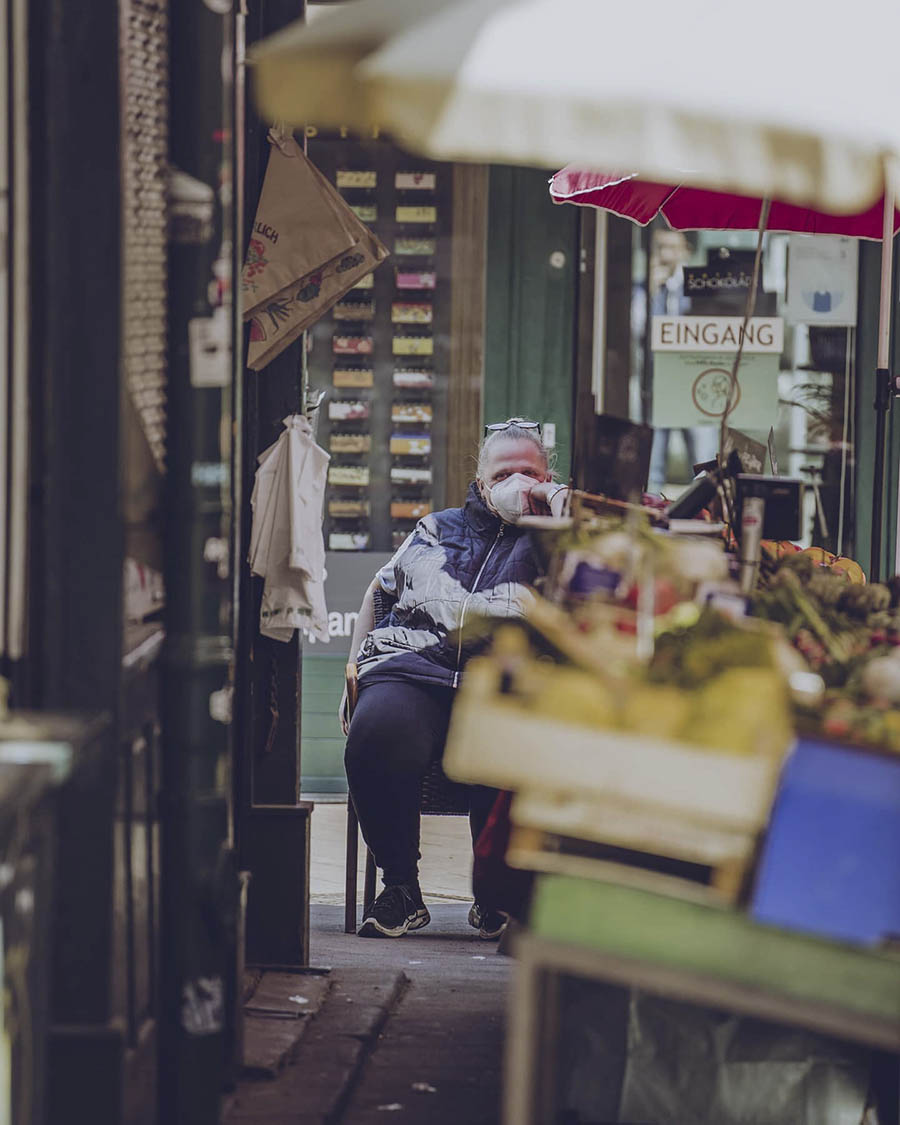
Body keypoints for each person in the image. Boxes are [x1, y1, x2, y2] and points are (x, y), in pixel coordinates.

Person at [340, 419, 569, 939]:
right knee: (376, 734)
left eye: (528, 473)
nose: (515, 482)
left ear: (548, 476)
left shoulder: (560, 541)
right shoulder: (437, 527)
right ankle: (400, 889)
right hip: (414, 667)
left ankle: (494, 896)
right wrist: (356, 669)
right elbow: (380, 591)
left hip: (504, 678)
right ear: (482, 481)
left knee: (505, 737)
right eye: (503, 473)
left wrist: (555, 510)